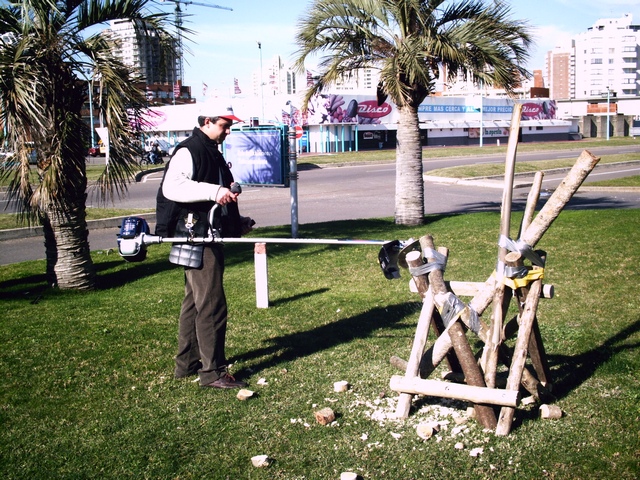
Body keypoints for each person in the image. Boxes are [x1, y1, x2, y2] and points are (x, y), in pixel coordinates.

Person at [155, 104, 254, 389]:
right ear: (207, 121)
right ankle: (212, 373)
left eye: (229, 126)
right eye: (224, 125)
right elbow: (172, 188)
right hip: (196, 235)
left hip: (202, 232)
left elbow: (213, 195)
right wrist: (215, 191)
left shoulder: (209, 149)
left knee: (194, 302)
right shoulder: (190, 149)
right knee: (211, 303)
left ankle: (187, 365)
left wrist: (237, 222)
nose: (228, 130)